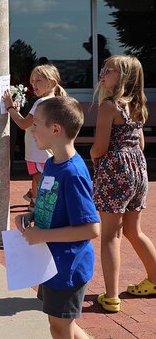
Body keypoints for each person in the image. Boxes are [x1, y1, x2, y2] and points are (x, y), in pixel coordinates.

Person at [17, 96, 100, 339]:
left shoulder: (73, 173)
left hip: (69, 267)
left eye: (36, 124)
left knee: (60, 328)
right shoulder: (52, 164)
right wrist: (32, 214)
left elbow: (91, 228)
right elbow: (54, 204)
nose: (31, 129)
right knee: (65, 326)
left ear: (55, 129)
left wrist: (43, 234)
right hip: (52, 262)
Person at [91, 55, 156, 313]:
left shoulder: (109, 106)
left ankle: (110, 296)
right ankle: (154, 280)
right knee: (133, 230)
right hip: (138, 170)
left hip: (115, 171)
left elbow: (100, 146)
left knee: (110, 235)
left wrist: (94, 158)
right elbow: (140, 143)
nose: (102, 73)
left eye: (109, 70)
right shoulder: (138, 105)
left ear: (124, 77)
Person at [4, 64, 67, 211]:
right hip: (45, 150)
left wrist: (9, 108)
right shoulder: (56, 100)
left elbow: (23, 124)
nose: (33, 84)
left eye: (38, 80)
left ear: (51, 82)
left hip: (37, 151)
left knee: (39, 177)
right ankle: (35, 201)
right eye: (32, 81)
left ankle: (36, 203)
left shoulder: (40, 102)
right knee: (41, 177)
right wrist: (16, 111)